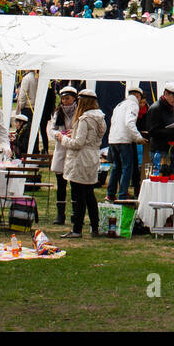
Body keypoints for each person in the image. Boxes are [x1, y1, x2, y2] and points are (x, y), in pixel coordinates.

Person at [58, 87, 106, 238]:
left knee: (78, 195)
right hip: (93, 157)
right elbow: (91, 137)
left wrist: (63, 139)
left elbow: (78, 143)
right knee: (89, 194)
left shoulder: (84, 118)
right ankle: (94, 226)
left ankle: (77, 229)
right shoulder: (100, 118)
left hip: (81, 159)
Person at [107, 87, 146, 201]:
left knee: (116, 167)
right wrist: (138, 138)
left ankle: (111, 193)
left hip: (113, 139)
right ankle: (123, 194)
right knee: (127, 167)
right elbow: (129, 122)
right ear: (138, 96)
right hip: (124, 140)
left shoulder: (119, 105)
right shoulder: (133, 105)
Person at [142, 82, 174, 176]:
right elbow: (152, 131)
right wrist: (171, 131)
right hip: (159, 151)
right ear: (166, 94)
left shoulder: (170, 108)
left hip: (171, 149)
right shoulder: (155, 108)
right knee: (162, 180)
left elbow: (170, 126)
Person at [50, 85, 78, 225]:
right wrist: (58, 134)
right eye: (63, 99)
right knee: (61, 184)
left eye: (67, 98)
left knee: (74, 183)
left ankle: (75, 213)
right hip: (61, 149)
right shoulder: (58, 112)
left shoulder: (79, 112)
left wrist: (73, 133)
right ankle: (60, 214)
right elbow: (52, 129)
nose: (65, 101)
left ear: (73, 98)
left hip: (73, 149)